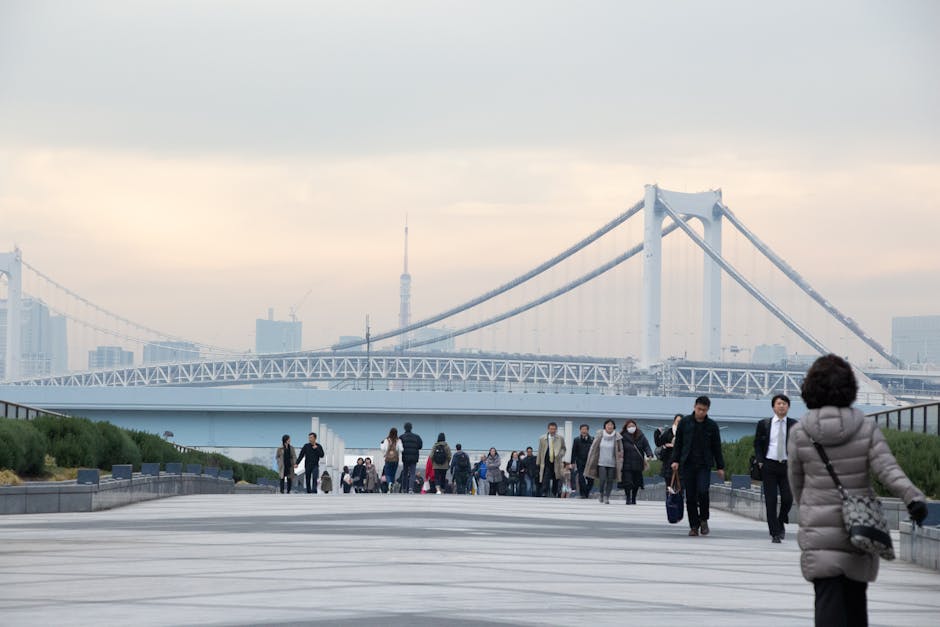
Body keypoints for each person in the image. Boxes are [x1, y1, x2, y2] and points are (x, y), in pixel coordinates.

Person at [788, 354, 928, 626]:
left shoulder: (800, 431)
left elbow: (796, 483)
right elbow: (888, 469)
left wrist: (808, 510)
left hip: (819, 531)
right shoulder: (865, 427)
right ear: (849, 387)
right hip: (860, 529)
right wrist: (913, 498)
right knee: (855, 604)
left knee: (826, 601)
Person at [671, 396, 725, 536]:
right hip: (687, 463)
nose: (701, 412)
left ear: (708, 410)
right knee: (690, 496)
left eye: (704, 410)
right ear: (695, 407)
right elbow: (679, 444)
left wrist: (720, 466)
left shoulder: (712, 426)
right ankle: (694, 525)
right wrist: (675, 460)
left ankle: (704, 519)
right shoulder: (685, 423)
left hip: (704, 465)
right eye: (699, 409)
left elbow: (716, 447)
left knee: (703, 491)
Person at [754, 394, 798, 543]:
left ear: (788, 407)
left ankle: (780, 520)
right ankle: (775, 533)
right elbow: (757, 444)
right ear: (774, 406)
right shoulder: (764, 424)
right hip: (769, 465)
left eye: (784, 403)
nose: (781, 406)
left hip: (787, 466)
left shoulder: (794, 424)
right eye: (779, 403)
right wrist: (760, 460)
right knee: (771, 500)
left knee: (788, 498)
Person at [584, 419, 623, 504]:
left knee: (610, 480)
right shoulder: (600, 435)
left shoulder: (617, 436)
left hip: (612, 463)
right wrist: (590, 458)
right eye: (608, 424)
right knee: (602, 480)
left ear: (614, 426)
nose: (609, 426)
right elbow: (593, 448)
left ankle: (607, 496)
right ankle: (601, 493)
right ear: (605, 426)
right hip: (601, 462)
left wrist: (620, 457)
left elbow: (620, 450)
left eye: (611, 425)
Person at [621, 419, 653, 505]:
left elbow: (646, 446)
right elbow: (618, 448)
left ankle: (634, 498)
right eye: (629, 426)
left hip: (638, 462)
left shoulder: (641, 435)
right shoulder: (622, 436)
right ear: (626, 427)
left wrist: (649, 454)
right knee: (627, 482)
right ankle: (628, 498)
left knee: (636, 482)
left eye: (633, 426)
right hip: (626, 463)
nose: (631, 428)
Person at [537, 422, 566, 497]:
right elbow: (540, 450)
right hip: (546, 460)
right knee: (546, 476)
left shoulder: (560, 438)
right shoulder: (542, 438)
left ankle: (554, 492)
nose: (552, 430)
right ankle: (544, 492)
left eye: (554, 429)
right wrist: (538, 462)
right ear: (548, 429)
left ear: (556, 430)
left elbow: (563, 448)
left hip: (556, 460)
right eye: (551, 429)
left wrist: (560, 454)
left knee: (556, 477)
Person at [654, 414, 683, 480]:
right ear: (674, 421)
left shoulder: (686, 433)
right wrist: (657, 433)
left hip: (681, 463)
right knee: (669, 485)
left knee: (681, 486)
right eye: (678, 421)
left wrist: (674, 445)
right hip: (668, 461)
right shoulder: (668, 432)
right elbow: (659, 443)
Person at [571, 423, 594, 499]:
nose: (584, 431)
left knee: (590, 479)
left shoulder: (592, 439)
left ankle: (586, 491)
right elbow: (573, 451)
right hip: (580, 461)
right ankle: (582, 494)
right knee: (581, 478)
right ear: (580, 430)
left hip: (590, 462)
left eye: (585, 429)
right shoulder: (576, 440)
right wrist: (573, 462)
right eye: (582, 429)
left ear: (588, 430)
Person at [399, 421, 423, 494]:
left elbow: (399, 447)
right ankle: (410, 489)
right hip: (414, 457)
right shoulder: (417, 437)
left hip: (405, 457)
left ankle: (403, 488)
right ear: (411, 428)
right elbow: (420, 446)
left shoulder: (401, 437)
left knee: (405, 473)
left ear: (404, 428)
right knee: (412, 473)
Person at [380, 427, 403, 493]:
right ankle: (391, 486)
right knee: (393, 474)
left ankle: (389, 483)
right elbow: (401, 449)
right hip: (395, 460)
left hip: (388, 459)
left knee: (387, 473)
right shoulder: (398, 440)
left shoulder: (386, 440)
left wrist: (381, 444)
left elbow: (383, 449)